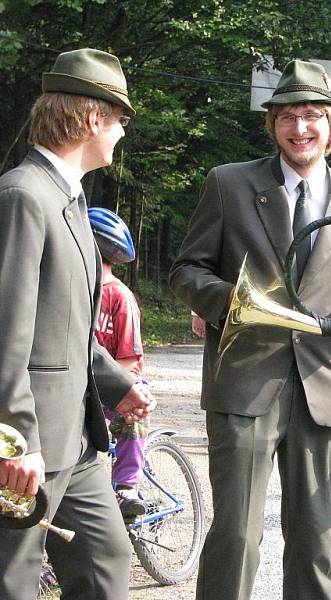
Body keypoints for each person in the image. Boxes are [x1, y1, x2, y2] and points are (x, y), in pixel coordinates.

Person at [169, 59, 331, 600]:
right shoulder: (229, 183)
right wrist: (233, 301)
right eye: (288, 117)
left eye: (312, 116)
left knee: (314, 539)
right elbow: (186, 272)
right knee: (236, 535)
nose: (300, 129)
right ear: (273, 124)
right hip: (245, 381)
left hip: (324, 384)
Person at [0, 48, 154, 599]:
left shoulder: (68, 197)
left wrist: (119, 384)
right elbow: (6, 334)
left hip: (80, 442)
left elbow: (67, 326)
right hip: (32, 445)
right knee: (12, 580)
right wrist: (15, 444)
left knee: (105, 565)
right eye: (120, 120)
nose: (121, 132)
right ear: (93, 118)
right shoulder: (23, 195)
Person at [89, 207, 149, 517]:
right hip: (82, 391)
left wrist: (107, 389)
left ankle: (127, 485)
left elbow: (128, 361)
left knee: (134, 405)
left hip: (111, 389)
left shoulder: (119, 298)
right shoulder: (74, 291)